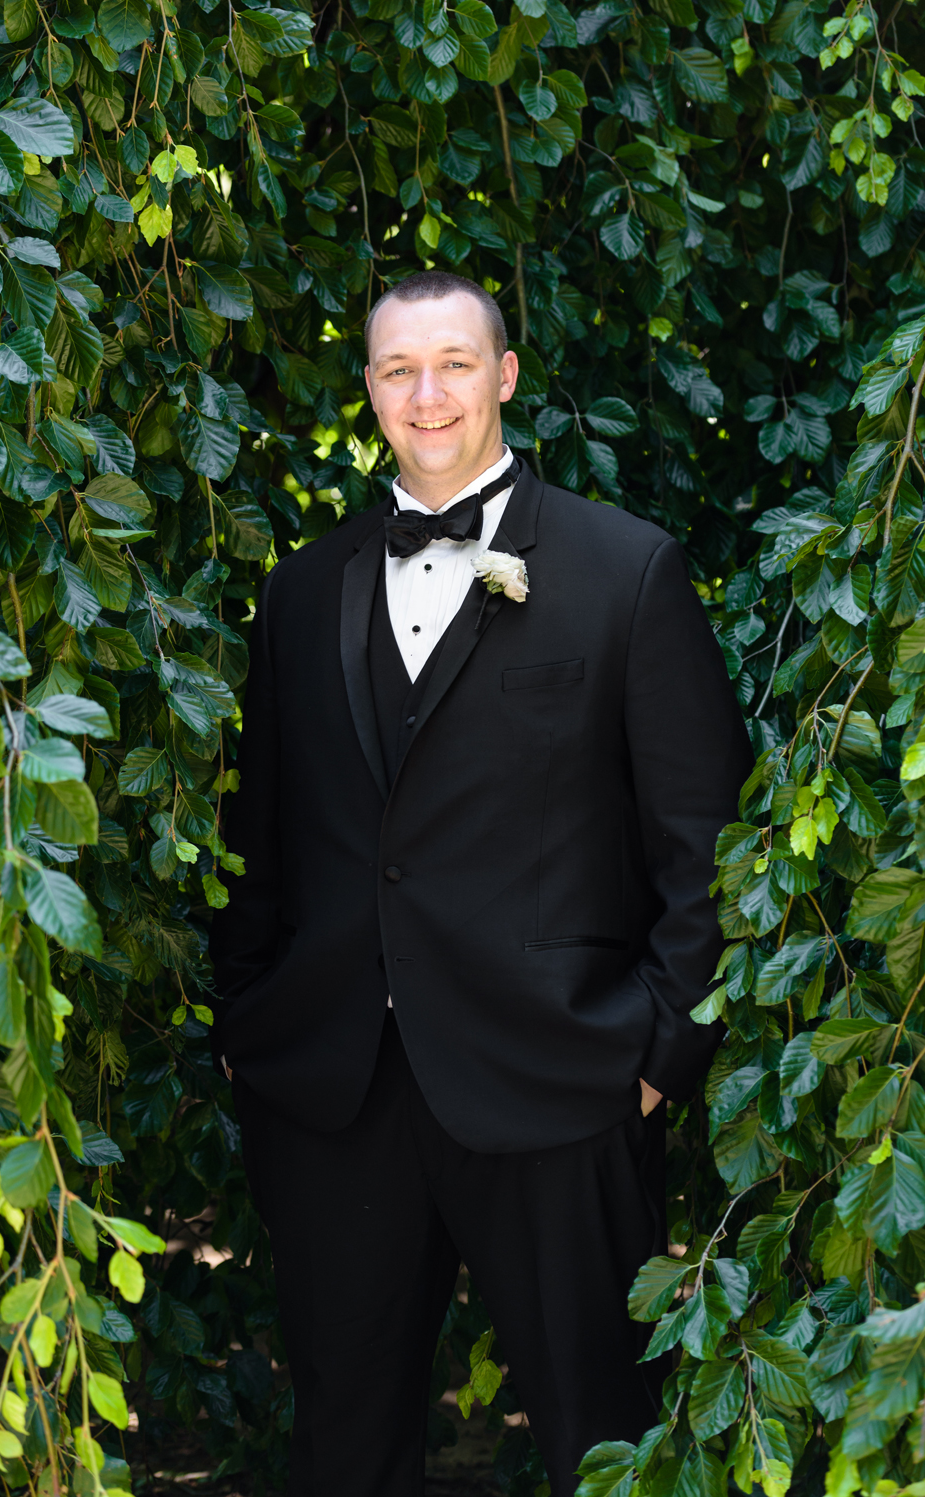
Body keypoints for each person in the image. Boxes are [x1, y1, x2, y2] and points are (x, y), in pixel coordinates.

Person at [210, 269, 750, 1493]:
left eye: (453, 363)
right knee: (344, 1446)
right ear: (366, 391)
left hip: (562, 1082)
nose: (426, 393)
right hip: (334, 1091)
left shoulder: (626, 573)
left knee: (599, 1440)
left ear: (503, 376)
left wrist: (660, 1055)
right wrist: (246, 1017)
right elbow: (262, 835)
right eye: (397, 369)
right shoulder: (300, 592)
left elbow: (701, 842)